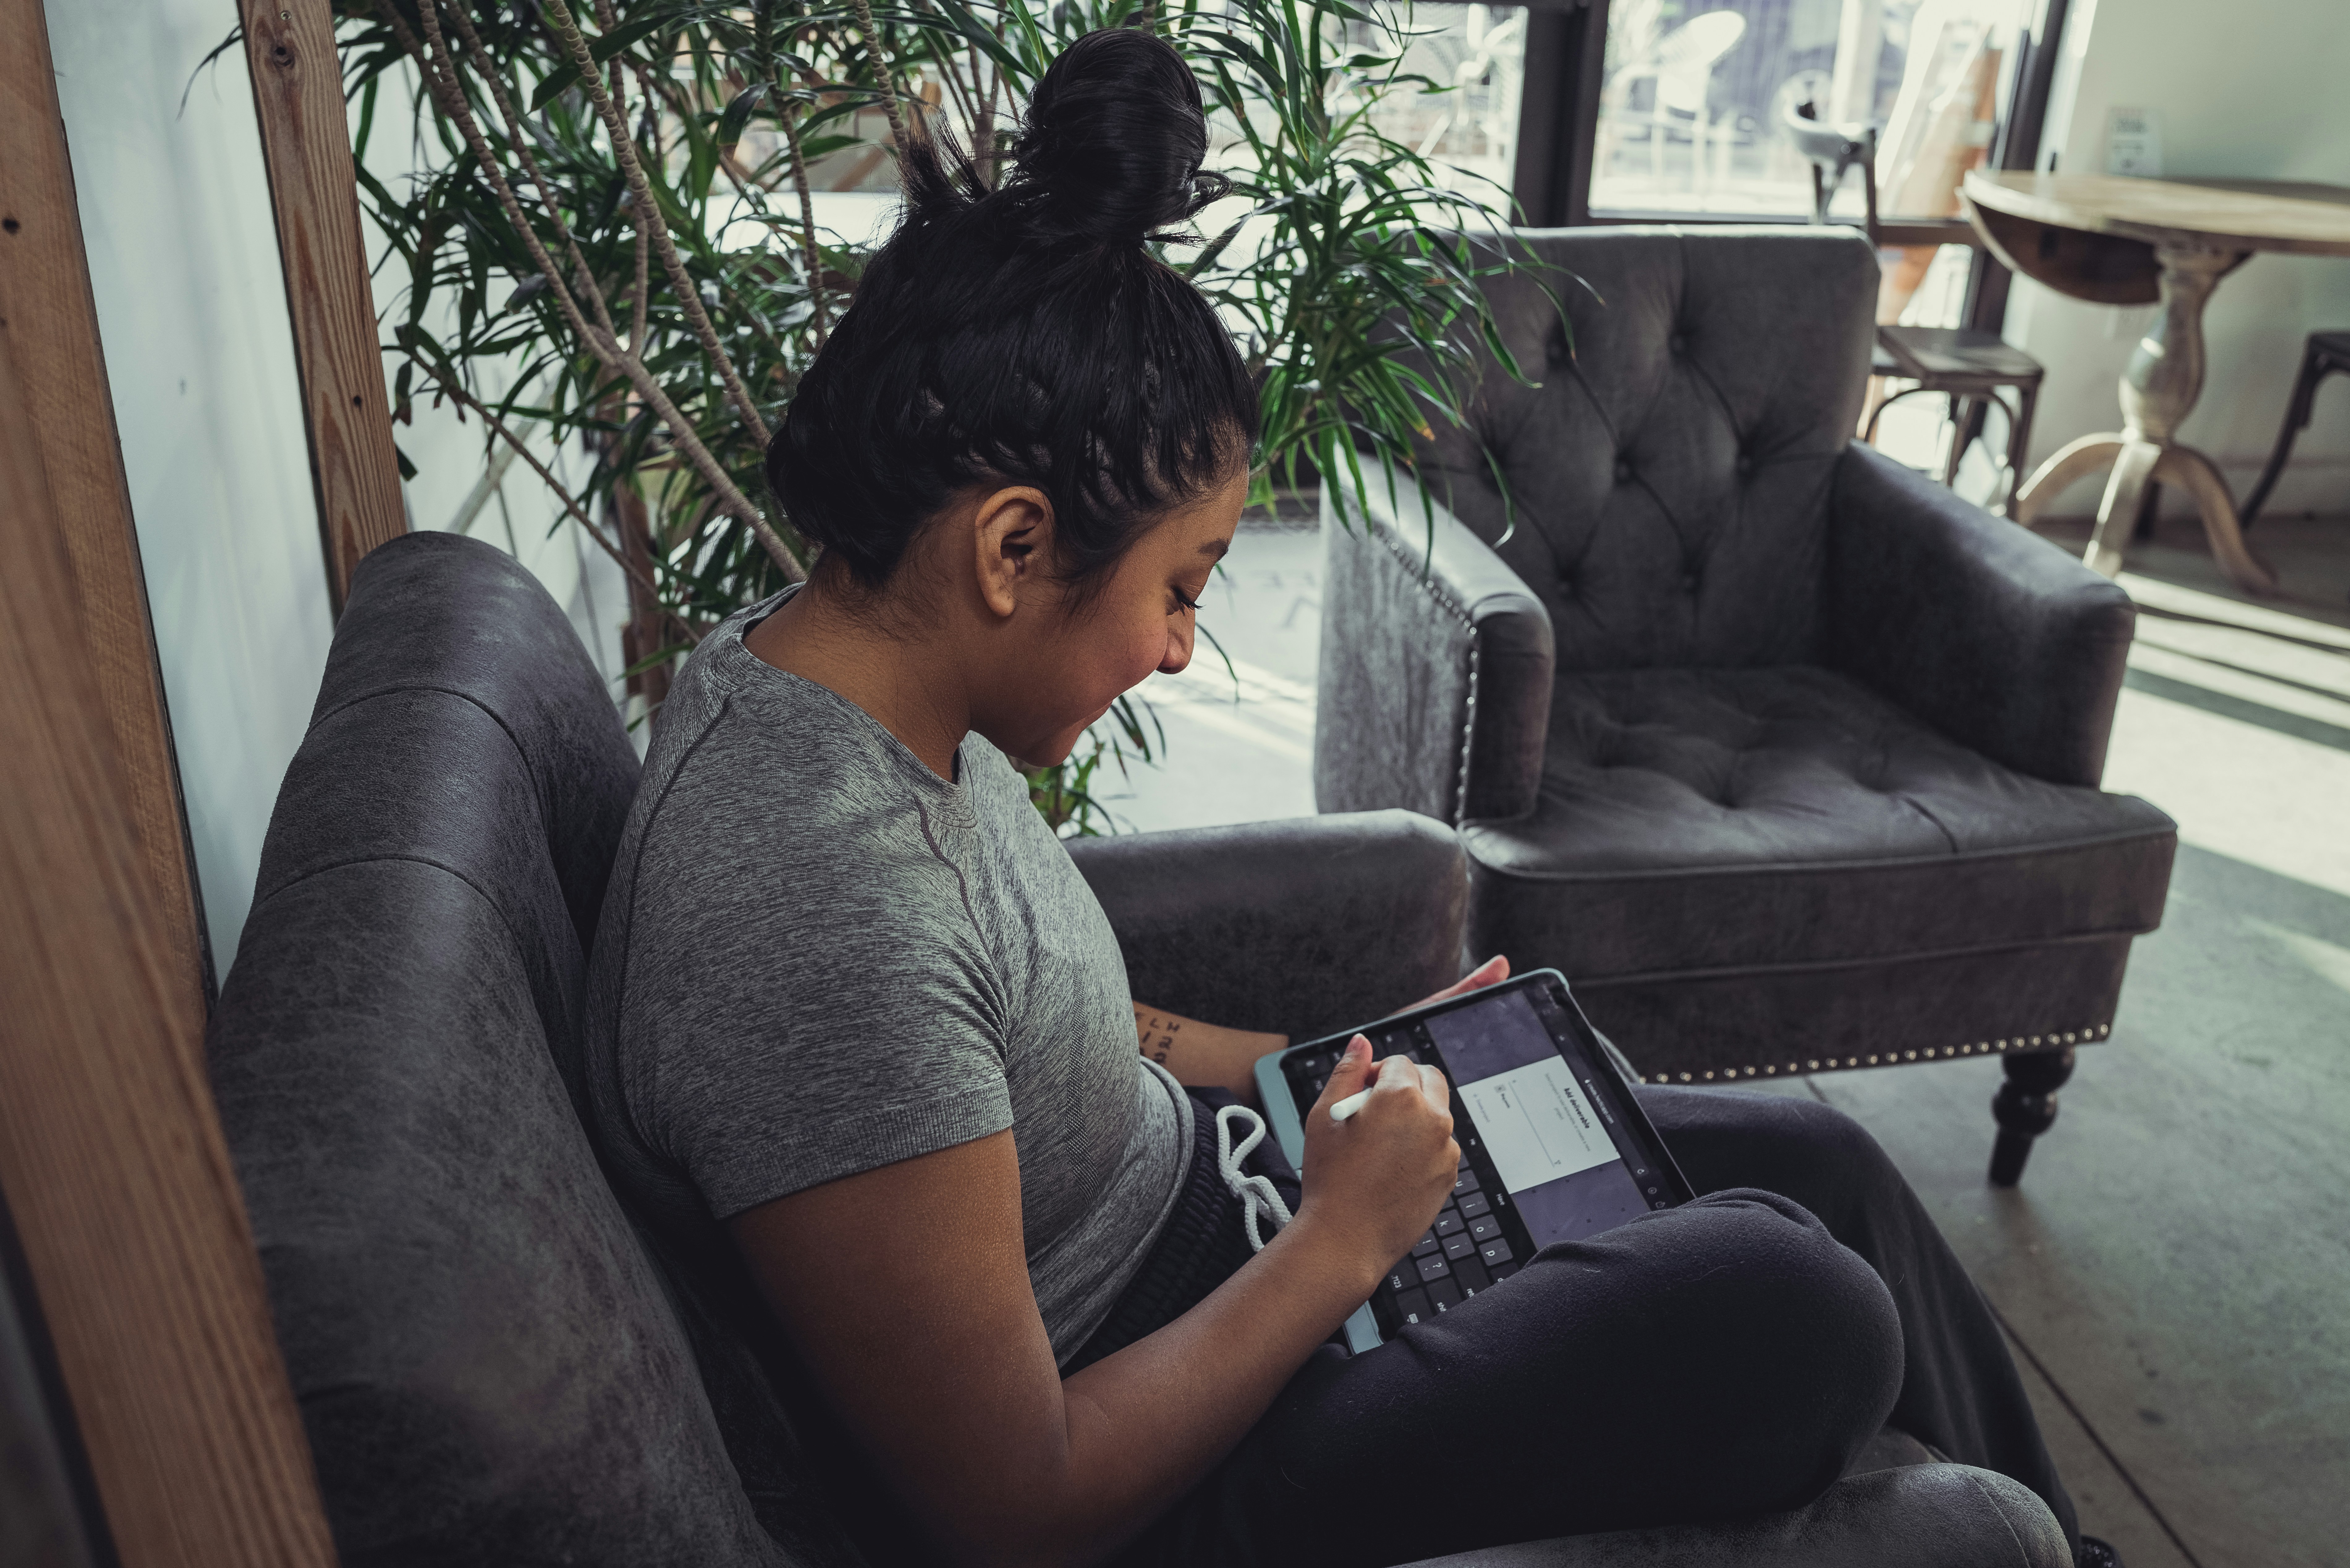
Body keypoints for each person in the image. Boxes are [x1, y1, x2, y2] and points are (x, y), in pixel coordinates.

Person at [580, 25, 2100, 1568]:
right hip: (1190, 1448)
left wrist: (1339, 1071)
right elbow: (1014, 1508)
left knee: (1823, 1162)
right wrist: (1342, 1241)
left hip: (1240, 1231)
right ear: (1013, 550)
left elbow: (1034, 1035)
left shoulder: (867, 695)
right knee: (1801, 1307)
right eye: (1181, 587)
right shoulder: (813, 918)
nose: (1180, 648)